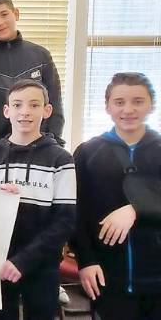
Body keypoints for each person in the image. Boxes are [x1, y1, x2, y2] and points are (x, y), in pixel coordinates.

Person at [0, 79, 76, 319]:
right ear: (7, 110)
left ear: (47, 110)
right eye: (18, 105)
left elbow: (65, 221)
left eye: (33, 105)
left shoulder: (61, 159)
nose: (25, 112)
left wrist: (23, 261)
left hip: (42, 266)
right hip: (0, 265)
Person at [70, 72, 161, 319]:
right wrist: (85, 261)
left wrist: (136, 208)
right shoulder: (88, 153)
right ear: (108, 106)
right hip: (106, 277)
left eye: (138, 101)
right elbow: (77, 213)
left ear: (151, 104)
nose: (128, 109)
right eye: (119, 102)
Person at [0, 0, 65, 149]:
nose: (0, 22)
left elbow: (55, 102)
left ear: (16, 14)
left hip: (38, 146)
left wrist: (54, 141)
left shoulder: (41, 56)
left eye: (4, 14)